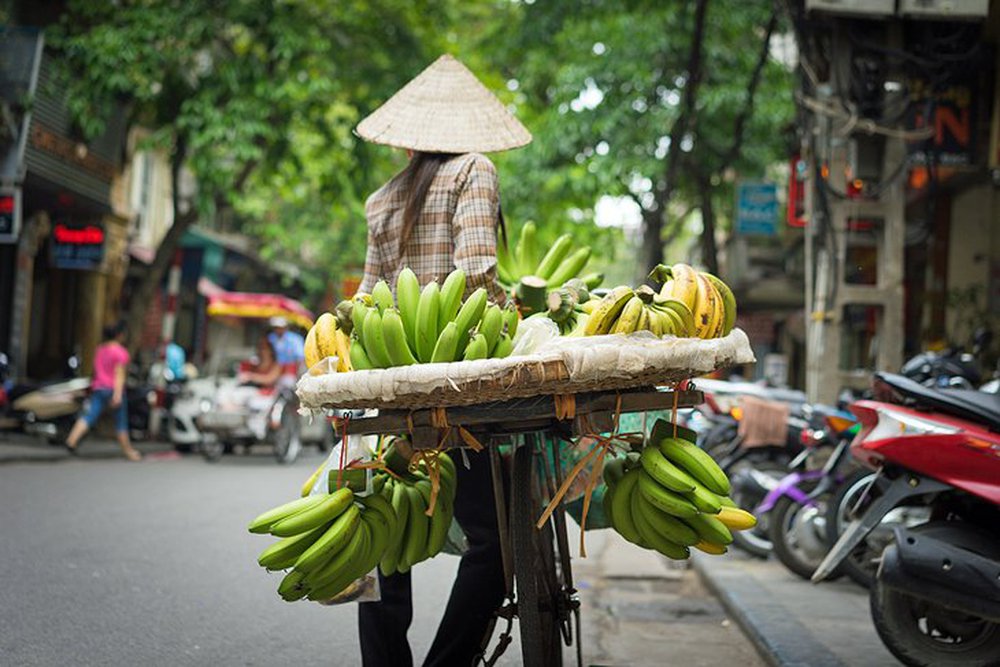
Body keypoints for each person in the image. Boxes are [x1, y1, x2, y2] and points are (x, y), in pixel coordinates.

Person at [353, 54, 531, 667]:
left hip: (396, 380)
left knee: (382, 528)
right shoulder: (473, 170)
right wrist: (516, 317)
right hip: (457, 378)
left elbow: (366, 299)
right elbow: (476, 272)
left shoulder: (381, 200)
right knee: (495, 538)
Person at [65, 321, 142, 461]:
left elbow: (96, 370)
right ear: (120, 335)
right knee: (121, 422)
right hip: (113, 390)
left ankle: (71, 440)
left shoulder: (100, 350)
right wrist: (118, 395)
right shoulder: (121, 352)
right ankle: (129, 452)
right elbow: (119, 374)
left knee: (89, 416)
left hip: (99, 388)